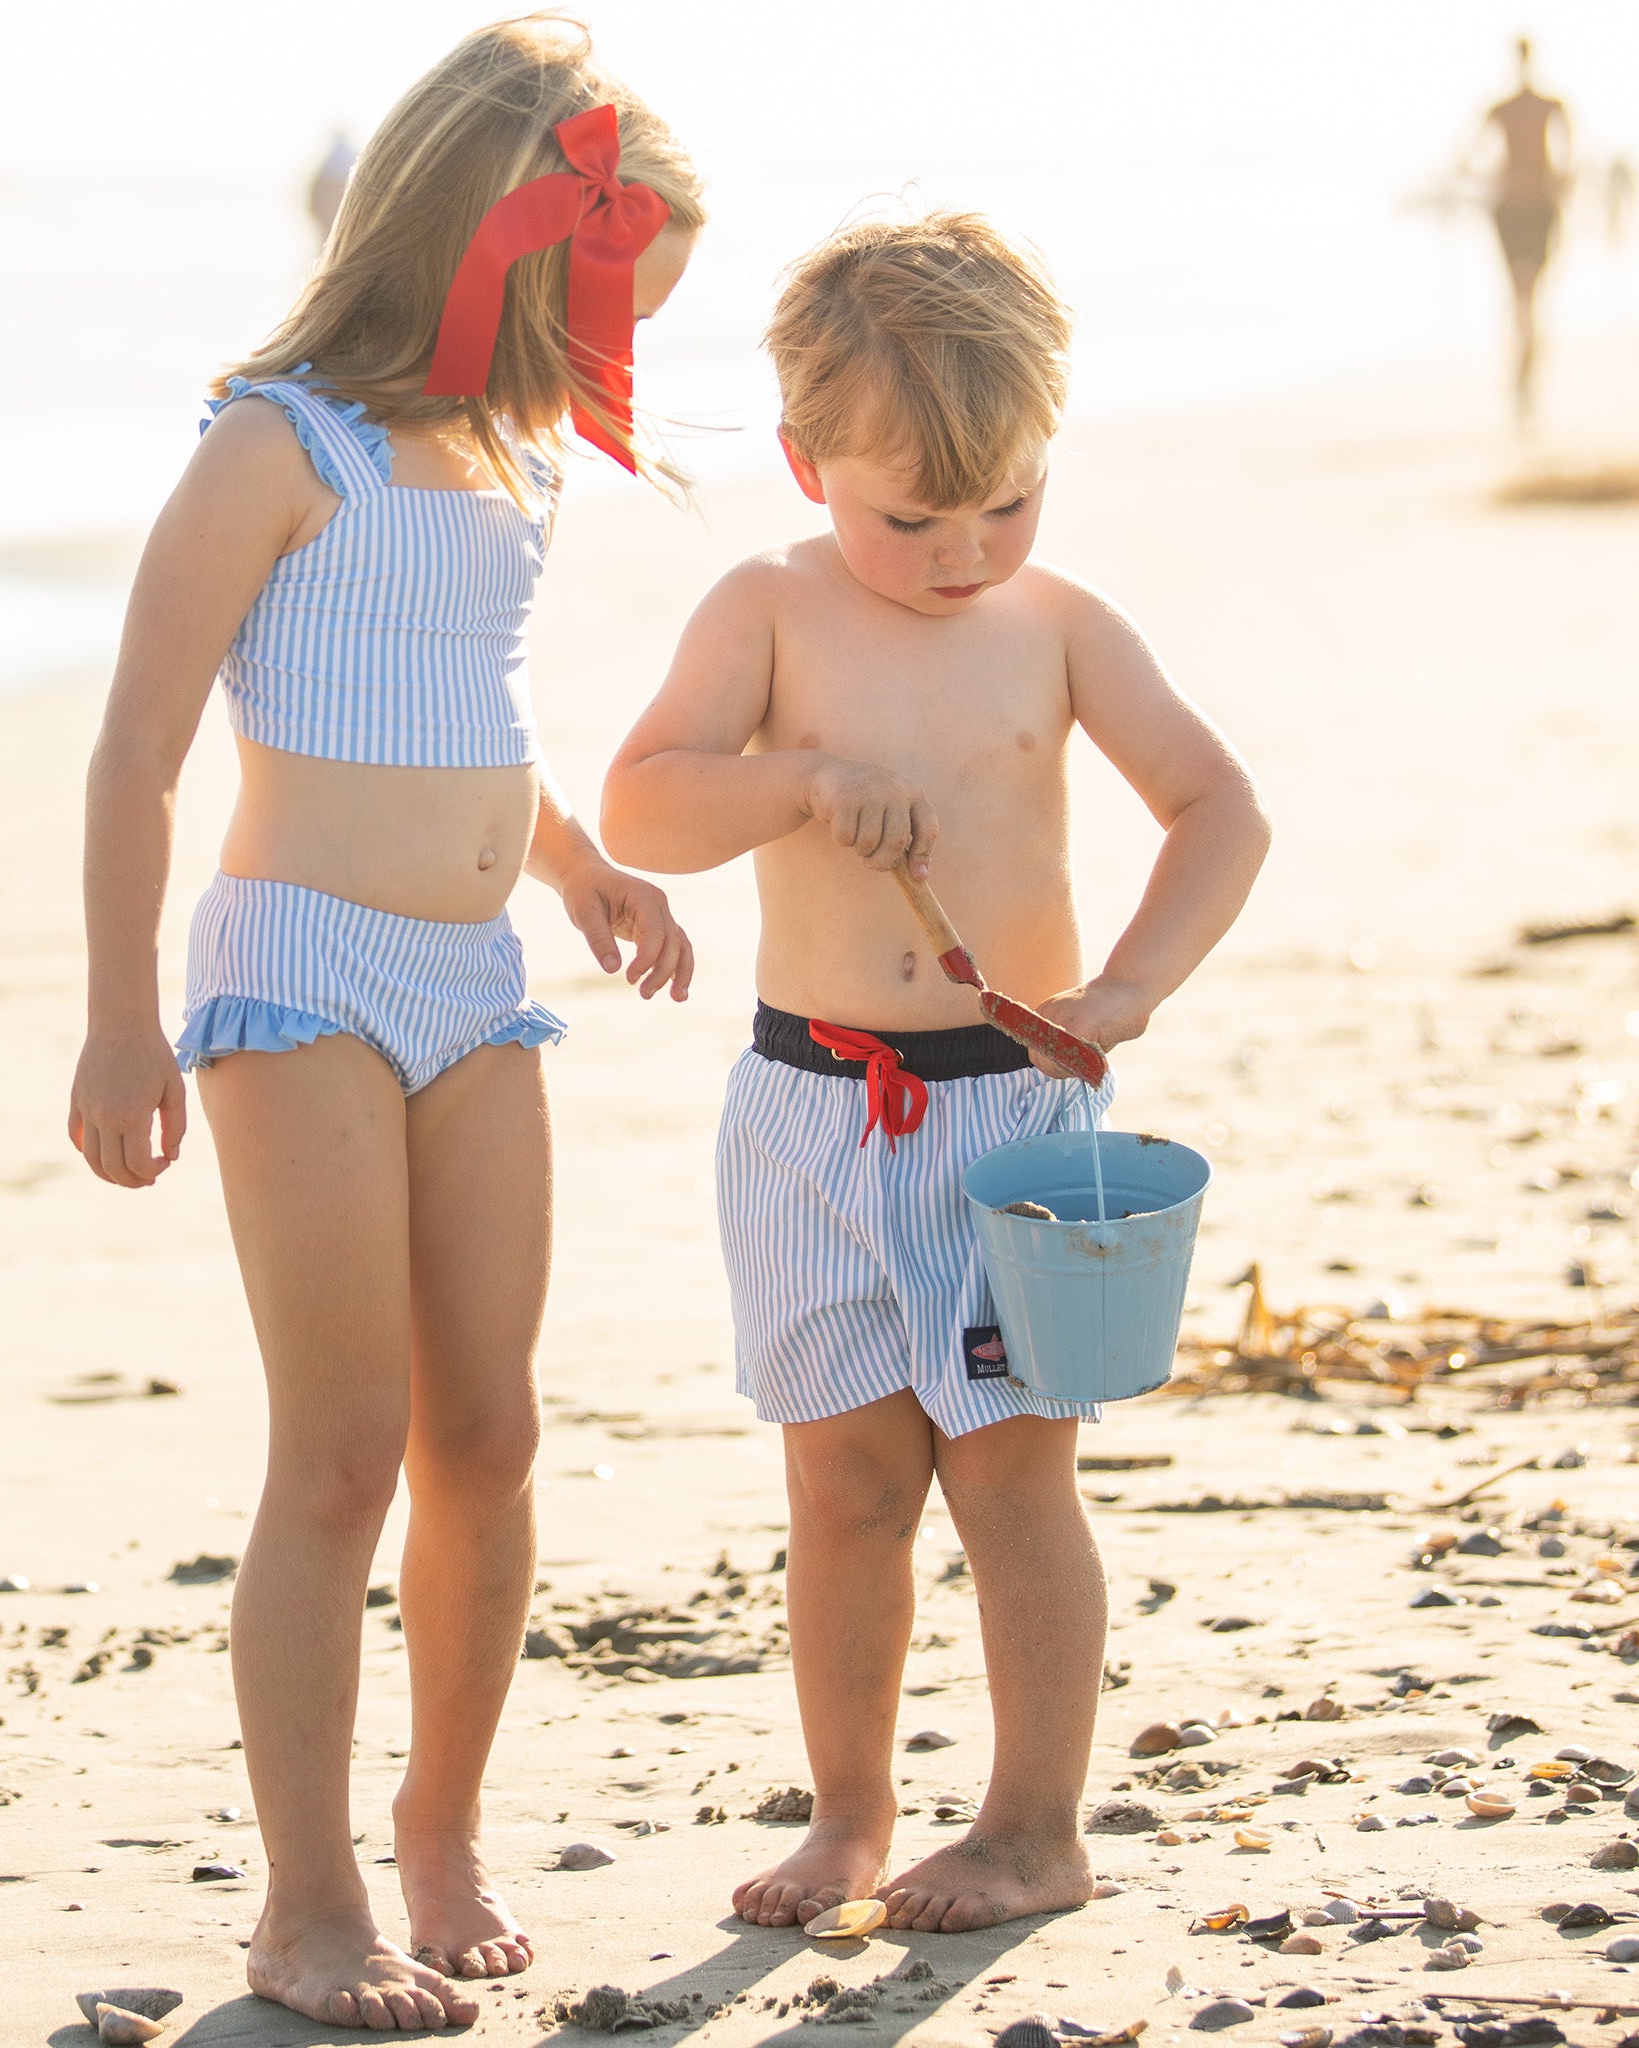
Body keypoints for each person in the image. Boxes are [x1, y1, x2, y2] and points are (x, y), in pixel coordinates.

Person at [68, 17, 702, 2029]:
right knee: (342, 1450)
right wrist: (114, 1016)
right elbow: (135, 754)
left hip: (475, 982)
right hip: (297, 975)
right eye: (596, 303)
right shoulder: (277, 445)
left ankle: (440, 1820)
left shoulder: (507, 462)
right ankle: (307, 1901)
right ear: (481, 244)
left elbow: (473, 725)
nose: (602, 361)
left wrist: (579, 864)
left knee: (490, 1436)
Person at [602, 214, 1270, 1935]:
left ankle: (1034, 1824)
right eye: (911, 515)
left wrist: (1122, 983)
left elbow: (1216, 805)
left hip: (1000, 1112)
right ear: (801, 461)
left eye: (1008, 501)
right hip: (804, 1107)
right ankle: (845, 1813)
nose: (964, 548)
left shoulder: (1054, 624)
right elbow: (641, 806)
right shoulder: (763, 607)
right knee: (840, 1478)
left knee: (1005, 1472)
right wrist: (801, 779)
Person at [1483, 35, 1572, 420]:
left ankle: (1524, 370)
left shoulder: (1504, 109)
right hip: (1534, 204)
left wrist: (1494, 181)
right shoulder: (1547, 106)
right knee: (1529, 293)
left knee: (1522, 295)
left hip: (1518, 203)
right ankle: (1526, 369)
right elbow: (1569, 159)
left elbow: (1469, 158)